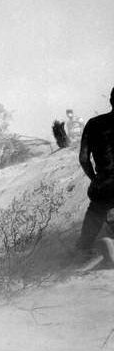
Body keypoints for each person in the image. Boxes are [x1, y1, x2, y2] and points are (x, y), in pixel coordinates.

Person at [76, 87, 114, 264]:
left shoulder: (94, 124)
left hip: (104, 185)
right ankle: (111, 245)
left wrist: (95, 179)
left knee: (97, 210)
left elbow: (84, 159)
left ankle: (84, 249)